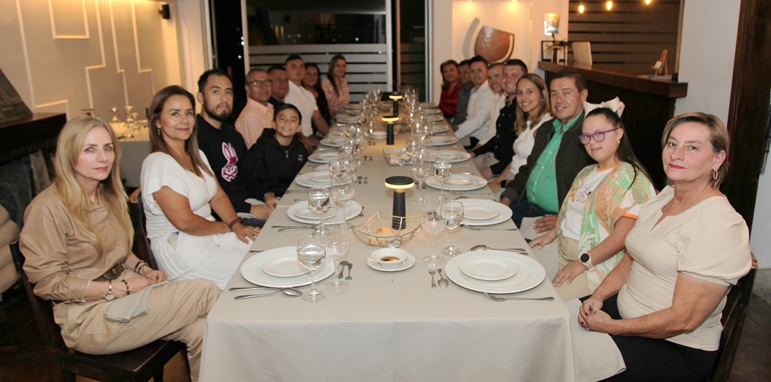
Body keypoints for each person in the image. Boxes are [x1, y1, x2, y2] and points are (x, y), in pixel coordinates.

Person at [20, 116, 220, 382]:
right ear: (69, 154)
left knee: (204, 329)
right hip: (87, 316)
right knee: (205, 290)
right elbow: (48, 283)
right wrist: (117, 289)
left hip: (123, 296)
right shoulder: (47, 208)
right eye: (90, 149)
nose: (103, 157)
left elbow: (118, 250)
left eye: (108, 147)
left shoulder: (109, 194)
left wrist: (143, 269)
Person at [578, 112, 752, 381]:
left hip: (676, 347)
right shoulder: (667, 195)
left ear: (717, 159)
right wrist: (598, 296)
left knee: (573, 364)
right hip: (625, 315)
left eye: (692, 147)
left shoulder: (719, 223)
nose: (676, 154)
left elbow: (684, 320)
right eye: (672, 144)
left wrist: (614, 327)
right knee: (554, 326)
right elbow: (631, 258)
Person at [529, 108, 655, 301]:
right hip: (562, 250)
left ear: (619, 134)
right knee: (522, 273)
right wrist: (551, 234)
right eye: (586, 137)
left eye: (599, 134)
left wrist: (582, 263)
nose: (592, 142)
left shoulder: (630, 178)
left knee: (546, 303)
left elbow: (623, 236)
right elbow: (569, 212)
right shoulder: (587, 172)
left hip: (596, 265)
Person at [140, 85, 259, 289]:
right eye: (175, 114)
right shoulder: (158, 163)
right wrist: (224, 227)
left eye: (188, 113)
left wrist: (235, 224)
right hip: (183, 250)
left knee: (262, 251)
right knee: (253, 272)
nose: (184, 120)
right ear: (157, 121)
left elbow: (218, 196)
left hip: (211, 236)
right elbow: (185, 222)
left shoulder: (197, 156)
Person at [500, 69, 594, 232]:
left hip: (554, 220)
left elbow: (598, 188)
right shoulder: (546, 129)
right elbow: (528, 169)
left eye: (566, 93)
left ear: (583, 95)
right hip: (527, 207)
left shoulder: (589, 135)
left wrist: (566, 217)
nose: (559, 100)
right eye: (554, 94)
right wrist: (506, 198)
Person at [195, 69, 275, 225]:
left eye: (228, 92)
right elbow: (206, 192)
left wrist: (265, 195)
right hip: (222, 216)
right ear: (200, 97)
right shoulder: (195, 137)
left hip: (246, 204)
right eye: (216, 91)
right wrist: (249, 208)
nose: (224, 98)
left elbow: (246, 175)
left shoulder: (232, 134)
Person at [489, 73, 552, 191]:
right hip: (510, 178)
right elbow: (516, 158)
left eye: (529, 92)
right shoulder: (528, 121)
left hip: (520, 186)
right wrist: (497, 181)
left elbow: (536, 172)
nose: (523, 98)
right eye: (520, 92)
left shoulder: (546, 126)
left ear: (543, 94)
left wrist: (501, 184)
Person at [471, 59, 528, 179]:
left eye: (514, 75)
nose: (508, 79)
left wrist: (493, 170)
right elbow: (497, 138)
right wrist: (474, 152)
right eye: (505, 75)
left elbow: (518, 153)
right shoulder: (507, 103)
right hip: (495, 159)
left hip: (506, 168)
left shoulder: (524, 109)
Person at [243, 103, 308, 199]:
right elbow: (248, 182)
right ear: (273, 124)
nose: (287, 123)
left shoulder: (300, 149)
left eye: (293, 120)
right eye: (282, 118)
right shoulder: (260, 149)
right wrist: (265, 195)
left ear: (299, 127)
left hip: (292, 195)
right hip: (266, 197)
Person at [450, 55, 495, 147]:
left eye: (480, 70)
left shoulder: (490, 92)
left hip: (479, 140)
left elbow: (478, 121)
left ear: (487, 71)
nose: (476, 74)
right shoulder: (473, 91)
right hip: (469, 135)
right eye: (472, 71)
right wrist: (457, 129)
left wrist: (454, 136)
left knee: (445, 144)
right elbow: (469, 119)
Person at [284, 54, 330, 138]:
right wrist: (305, 141)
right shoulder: (284, 92)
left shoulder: (307, 93)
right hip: (295, 141)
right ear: (286, 70)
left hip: (310, 137)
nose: (298, 70)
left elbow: (318, 119)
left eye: (301, 67)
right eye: (294, 67)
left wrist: (331, 136)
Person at [235, 68, 274, 149]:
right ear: (247, 88)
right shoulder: (251, 116)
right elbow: (263, 151)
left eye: (267, 82)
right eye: (257, 83)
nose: (264, 87)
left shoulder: (270, 108)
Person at [321, 54, 351, 119]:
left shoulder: (344, 82)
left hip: (344, 118)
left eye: (343, 66)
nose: (341, 69)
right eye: (338, 65)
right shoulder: (326, 83)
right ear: (332, 67)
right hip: (333, 121)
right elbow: (329, 109)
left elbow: (346, 105)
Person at [450, 59, 472, 125]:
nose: (462, 75)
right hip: (458, 127)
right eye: (459, 72)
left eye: (466, 72)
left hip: (468, 131)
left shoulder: (475, 91)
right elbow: (459, 116)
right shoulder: (462, 90)